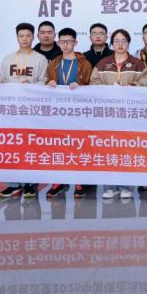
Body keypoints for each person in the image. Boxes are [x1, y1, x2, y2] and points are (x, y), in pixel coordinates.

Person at [89, 29, 147, 200]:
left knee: (127, 150)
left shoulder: (138, 64)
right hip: (108, 115)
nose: (120, 44)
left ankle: (126, 186)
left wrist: (131, 89)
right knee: (108, 150)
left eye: (123, 41)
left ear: (129, 43)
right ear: (112, 43)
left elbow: (145, 84)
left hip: (129, 115)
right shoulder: (103, 64)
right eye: (117, 41)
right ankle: (109, 187)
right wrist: (108, 91)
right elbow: (93, 83)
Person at [0, 23, 49, 199]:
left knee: (31, 147)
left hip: (32, 110)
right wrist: (0, 82)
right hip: (12, 110)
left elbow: (45, 81)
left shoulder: (40, 59)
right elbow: (1, 79)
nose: (25, 39)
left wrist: (33, 85)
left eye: (28, 36)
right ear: (17, 37)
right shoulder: (8, 59)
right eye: (21, 36)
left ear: (33, 37)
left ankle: (30, 184)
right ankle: (13, 185)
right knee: (12, 147)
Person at [45, 28, 94, 199]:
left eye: (69, 41)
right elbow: (46, 82)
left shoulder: (85, 63)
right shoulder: (53, 63)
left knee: (78, 145)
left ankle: (79, 182)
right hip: (58, 111)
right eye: (62, 41)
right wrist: (49, 83)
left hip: (79, 111)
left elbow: (92, 85)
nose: (65, 45)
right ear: (58, 43)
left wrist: (81, 87)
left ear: (75, 42)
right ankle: (58, 182)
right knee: (57, 146)